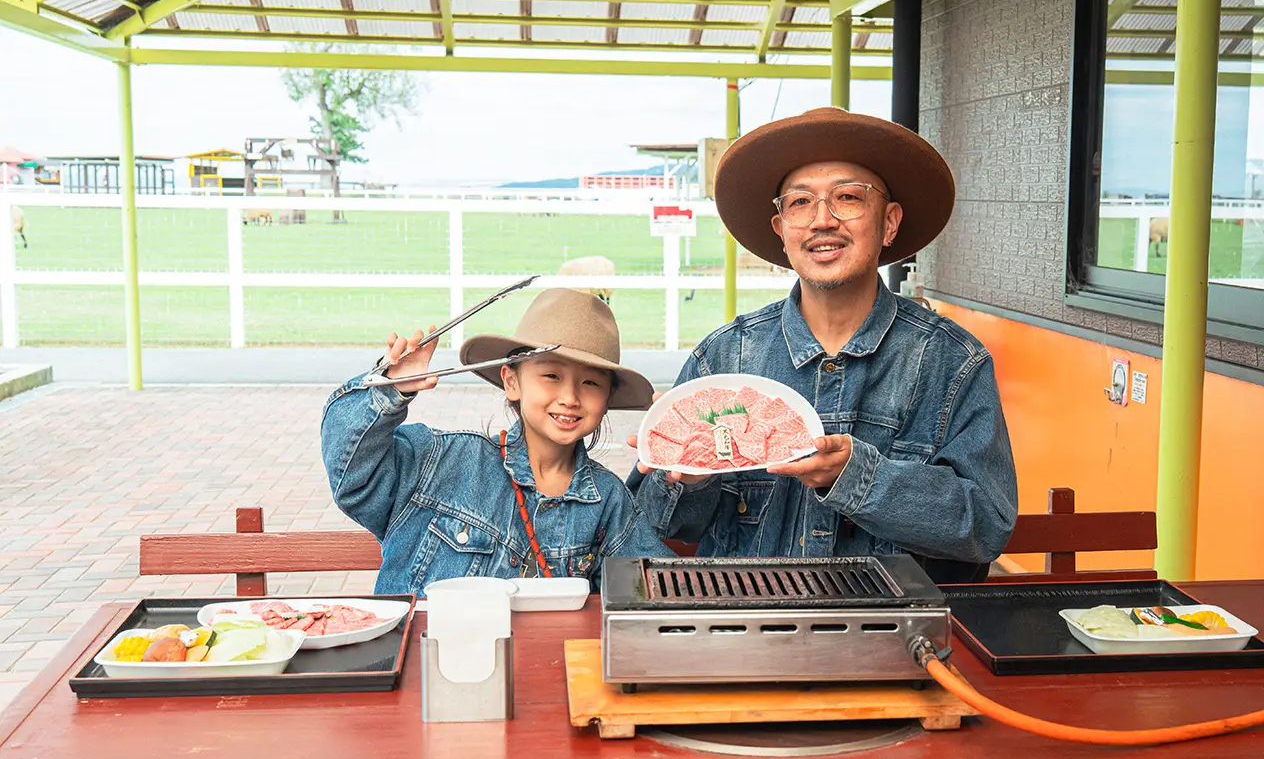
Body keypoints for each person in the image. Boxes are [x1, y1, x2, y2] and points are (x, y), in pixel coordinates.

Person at [628, 108, 1017, 583]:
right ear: (782, 232)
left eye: (849, 198)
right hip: (752, 632)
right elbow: (660, 523)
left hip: (900, 638)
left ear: (889, 223)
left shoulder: (952, 363)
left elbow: (987, 526)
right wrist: (689, 475)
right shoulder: (723, 358)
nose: (822, 220)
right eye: (800, 203)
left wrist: (858, 477)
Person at [323, 288, 674, 596]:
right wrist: (388, 390)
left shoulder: (608, 499)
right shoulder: (442, 461)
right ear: (512, 381)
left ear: (608, 398)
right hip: (426, 663)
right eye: (551, 375)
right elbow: (353, 477)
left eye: (591, 383)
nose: (569, 397)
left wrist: (675, 467)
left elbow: (654, 585)